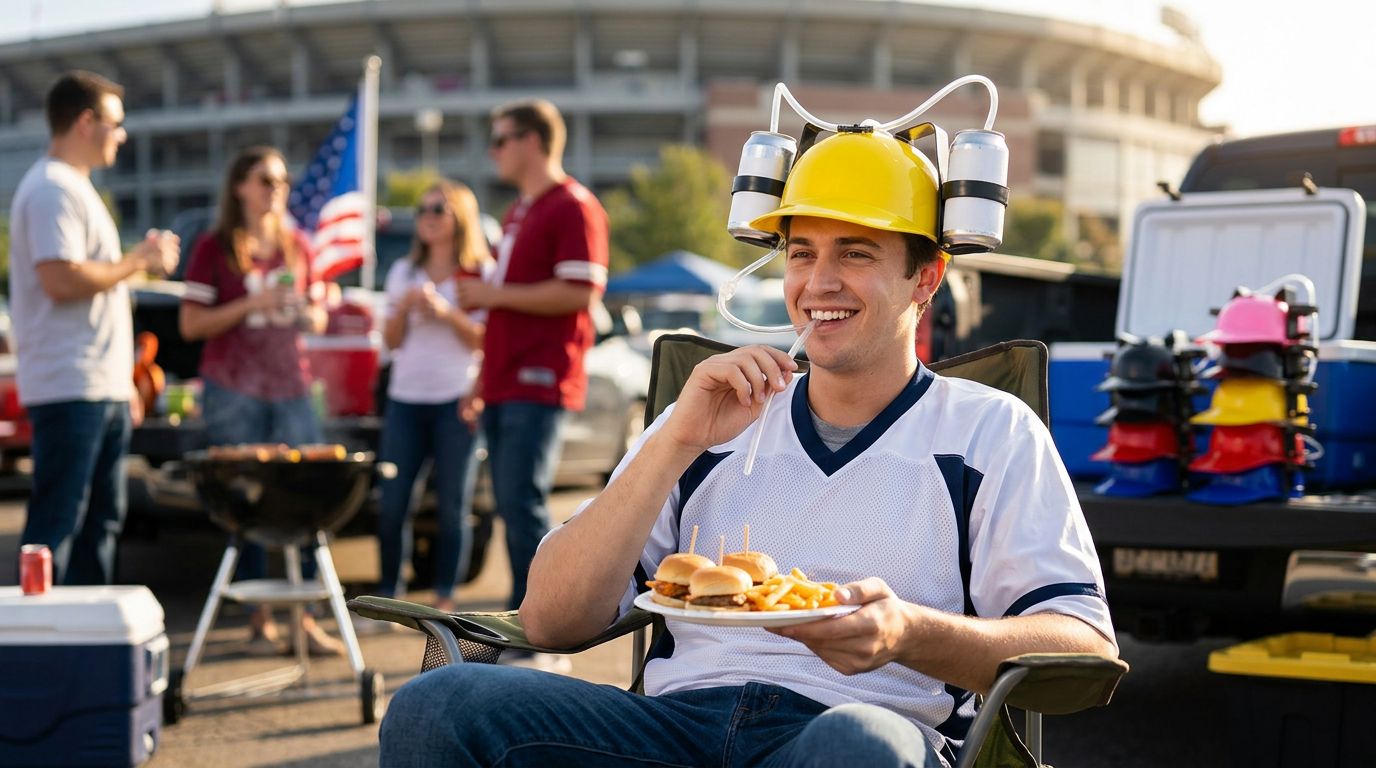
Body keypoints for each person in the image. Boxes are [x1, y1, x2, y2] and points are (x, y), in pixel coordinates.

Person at [382, 127, 1117, 766]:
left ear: (926, 277)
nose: (818, 283)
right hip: (673, 729)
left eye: (856, 253)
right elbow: (550, 620)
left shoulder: (990, 430)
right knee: (437, 705)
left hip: (856, 728)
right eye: (801, 253)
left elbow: (1082, 645)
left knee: (858, 746)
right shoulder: (710, 417)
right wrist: (676, 440)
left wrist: (907, 633)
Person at [10, 70, 179, 586]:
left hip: (95, 387)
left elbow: (86, 283)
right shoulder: (51, 187)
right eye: (115, 123)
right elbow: (61, 279)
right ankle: (38, 634)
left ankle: (85, 632)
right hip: (71, 386)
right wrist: (139, 260)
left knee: (97, 525)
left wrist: (122, 382)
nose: (121, 135)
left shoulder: (71, 187)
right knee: (61, 524)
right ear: (86, 122)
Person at [454, 100, 609, 648]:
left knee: (523, 504)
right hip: (505, 379)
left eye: (500, 139)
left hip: (539, 377)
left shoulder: (573, 205)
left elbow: (582, 291)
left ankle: (542, 628)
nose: (492, 151)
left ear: (532, 141)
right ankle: (525, 620)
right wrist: (480, 381)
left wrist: (494, 295)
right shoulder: (522, 210)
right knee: (511, 504)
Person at [179, 145, 343, 657]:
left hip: (291, 383)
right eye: (266, 180)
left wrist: (306, 313)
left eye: (282, 181)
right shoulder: (214, 247)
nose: (277, 189)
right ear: (239, 188)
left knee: (308, 495)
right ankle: (259, 621)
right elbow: (190, 324)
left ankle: (306, 620)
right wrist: (254, 302)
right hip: (232, 387)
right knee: (247, 498)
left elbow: (319, 317)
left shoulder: (298, 245)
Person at [373, 180, 491, 614]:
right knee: (392, 503)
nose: (427, 216)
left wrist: (446, 312)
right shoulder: (403, 272)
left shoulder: (481, 272)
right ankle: (389, 595)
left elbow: (486, 341)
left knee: (452, 506)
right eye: (422, 209)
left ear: (460, 216)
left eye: (438, 208)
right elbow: (390, 342)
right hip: (405, 399)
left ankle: (444, 598)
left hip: (456, 399)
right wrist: (405, 310)